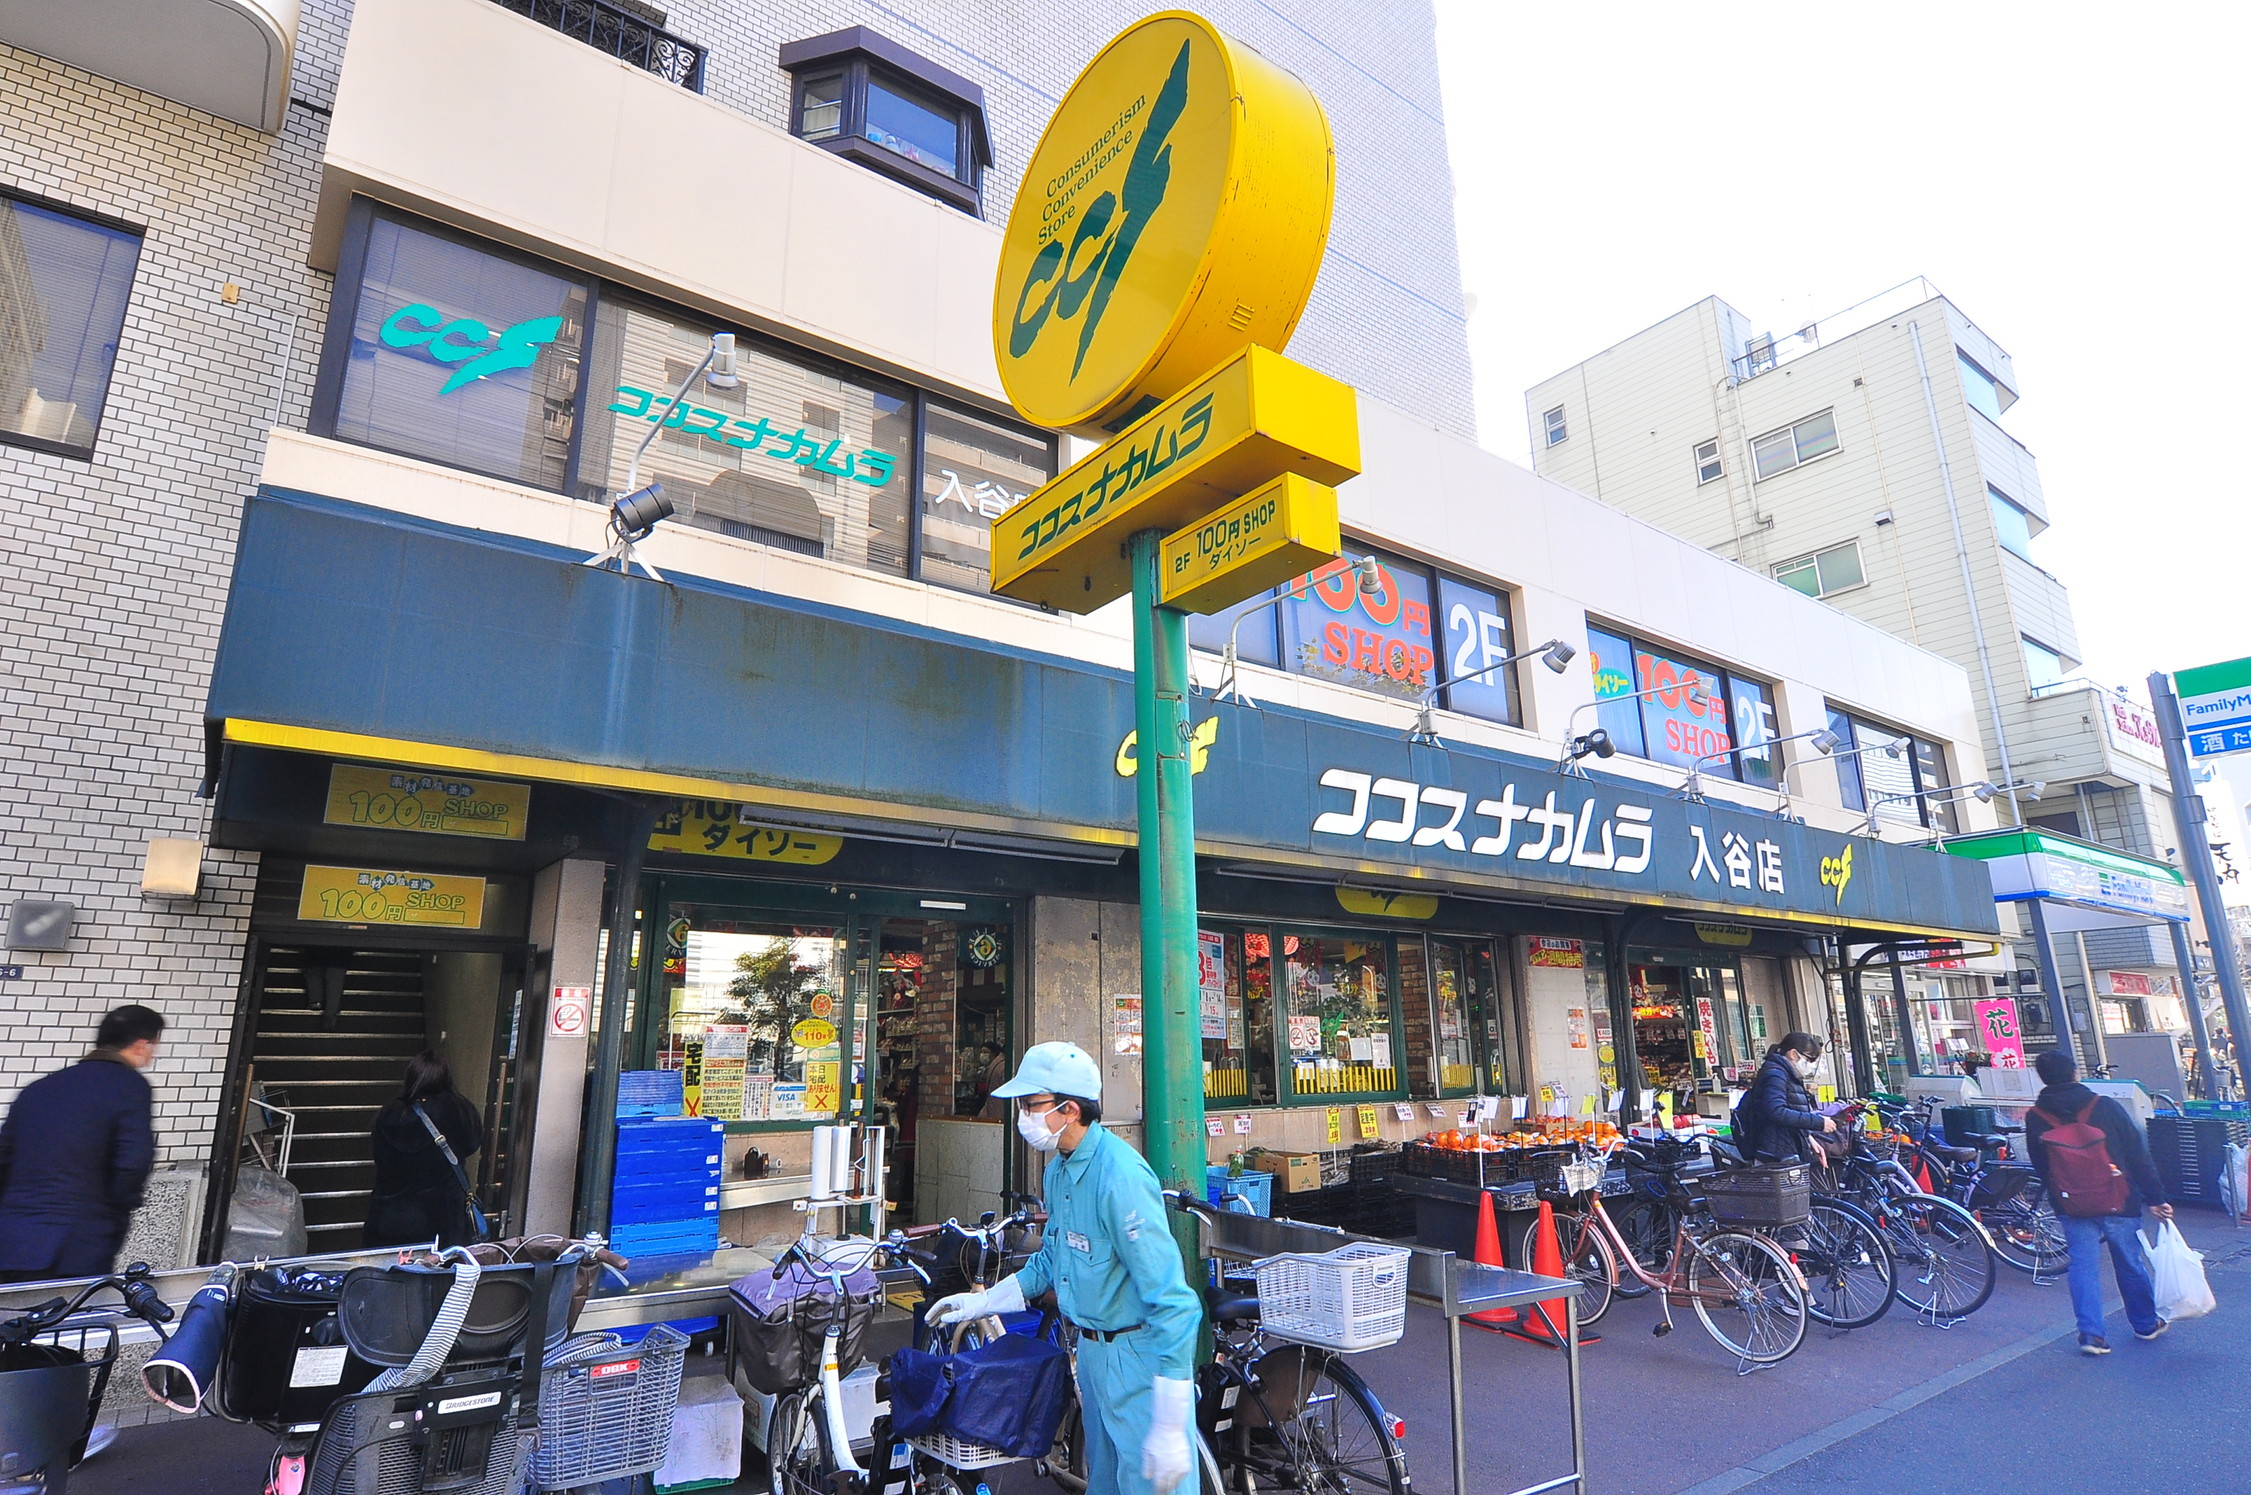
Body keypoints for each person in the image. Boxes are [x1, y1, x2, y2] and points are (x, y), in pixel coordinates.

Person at [928, 1042, 1200, 1495]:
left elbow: (1174, 1302)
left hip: (1141, 1361)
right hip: (1092, 1357)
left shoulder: (1121, 1178)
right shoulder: (1058, 1172)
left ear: (1069, 1109)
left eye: (1031, 1105)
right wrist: (983, 1302)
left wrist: (1171, 1418)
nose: (1023, 1117)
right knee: (1106, 1483)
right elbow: (1052, 1261)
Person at [2024, 1048, 2172, 1355]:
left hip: (2071, 1203)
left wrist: (2060, 1194)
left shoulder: (2036, 1117)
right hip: (2118, 1197)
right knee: (2129, 1262)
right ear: (2075, 1072)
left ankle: (2092, 1334)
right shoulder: (2104, 1106)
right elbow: (2137, 1153)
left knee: (2082, 1265)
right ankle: (2145, 1324)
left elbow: (2041, 1164)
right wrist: (2155, 1197)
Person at [0, 1004, 163, 1283]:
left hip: (10, 1241)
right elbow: (132, 1162)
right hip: (75, 1246)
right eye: (153, 1048)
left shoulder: (38, 1089)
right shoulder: (129, 1086)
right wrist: (113, 1216)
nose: (150, 1058)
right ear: (140, 1045)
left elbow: (4, 1158)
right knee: (66, 1323)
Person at [363, 1050, 484, 1249]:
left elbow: (379, 1155)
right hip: (445, 1220)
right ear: (446, 1077)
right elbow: (472, 1145)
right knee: (445, 1277)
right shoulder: (461, 1109)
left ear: (411, 1077)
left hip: (391, 1218)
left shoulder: (390, 1113)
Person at [1735, 1032, 1837, 1165]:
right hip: (1776, 1152)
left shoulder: (1786, 1073)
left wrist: (1808, 1137)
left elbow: (1791, 1110)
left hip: (1784, 1148)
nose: (1811, 1065)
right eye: (1809, 1060)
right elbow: (1776, 1111)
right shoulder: (1776, 1074)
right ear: (1793, 1054)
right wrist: (1818, 1122)